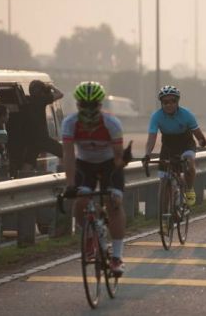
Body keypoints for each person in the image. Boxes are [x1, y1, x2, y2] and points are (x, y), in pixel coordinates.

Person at [62, 81, 127, 276]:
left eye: (93, 105)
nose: (89, 109)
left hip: (110, 165)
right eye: (84, 105)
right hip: (85, 166)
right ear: (78, 105)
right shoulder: (70, 123)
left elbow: (117, 158)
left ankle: (116, 257)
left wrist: (115, 186)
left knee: (114, 202)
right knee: (81, 201)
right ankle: (90, 233)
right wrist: (70, 185)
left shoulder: (112, 123)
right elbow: (69, 156)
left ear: (100, 105)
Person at [144, 86, 206, 207]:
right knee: (164, 182)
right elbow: (151, 138)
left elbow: (199, 135)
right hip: (168, 146)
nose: (169, 105)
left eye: (172, 101)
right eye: (165, 102)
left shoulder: (186, 114)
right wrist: (147, 154)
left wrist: (201, 141)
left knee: (189, 162)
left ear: (177, 102)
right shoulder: (156, 116)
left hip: (186, 143)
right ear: (161, 103)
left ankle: (189, 189)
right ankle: (165, 219)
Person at [22, 80, 64, 171]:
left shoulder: (26, 100)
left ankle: (20, 181)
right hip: (43, 139)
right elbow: (60, 94)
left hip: (31, 139)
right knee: (66, 153)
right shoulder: (41, 99)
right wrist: (51, 87)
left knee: (28, 162)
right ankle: (72, 174)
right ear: (41, 91)